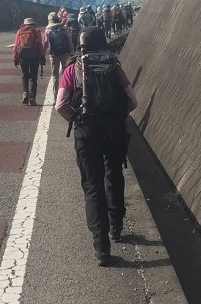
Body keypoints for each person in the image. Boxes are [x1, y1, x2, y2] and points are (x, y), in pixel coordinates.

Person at [55, 26, 138, 266]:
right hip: (114, 131)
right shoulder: (114, 67)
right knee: (114, 175)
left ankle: (101, 246)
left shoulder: (73, 69)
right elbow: (132, 101)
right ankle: (116, 226)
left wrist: (77, 119)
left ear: (82, 45)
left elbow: (60, 105)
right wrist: (116, 117)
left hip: (86, 133)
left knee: (92, 185)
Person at [13, 17, 46, 105]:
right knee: (33, 77)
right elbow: (40, 44)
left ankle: (25, 93)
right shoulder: (36, 30)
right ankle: (32, 98)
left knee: (25, 75)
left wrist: (15, 57)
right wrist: (42, 56)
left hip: (23, 56)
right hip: (34, 56)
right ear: (33, 23)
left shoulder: (20, 31)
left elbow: (16, 45)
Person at [43, 12, 74, 99]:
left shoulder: (48, 30)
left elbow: (45, 43)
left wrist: (42, 55)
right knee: (65, 74)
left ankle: (56, 96)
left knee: (55, 76)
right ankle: (66, 95)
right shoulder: (64, 28)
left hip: (54, 55)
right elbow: (69, 40)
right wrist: (71, 51)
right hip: (65, 53)